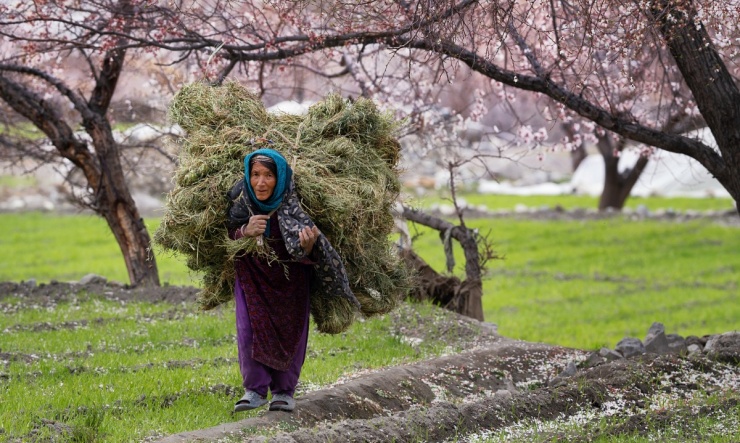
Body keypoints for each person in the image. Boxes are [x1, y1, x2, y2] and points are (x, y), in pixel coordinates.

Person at [225, 147, 358, 413]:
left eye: (268, 176)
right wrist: (244, 231)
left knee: (291, 333)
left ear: (281, 178)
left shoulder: (295, 208)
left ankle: (284, 392)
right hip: (252, 279)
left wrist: (308, 248)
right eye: (255, 175)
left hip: (291, 282)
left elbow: (316, 249)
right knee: (249, 330)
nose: (260, 183)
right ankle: (254, 390)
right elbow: (224, 240)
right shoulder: (241, 205)